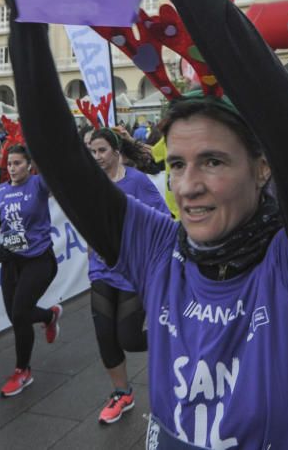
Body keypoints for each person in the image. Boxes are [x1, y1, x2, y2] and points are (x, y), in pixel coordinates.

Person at [4, 0, 288, 447]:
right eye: (179, 163)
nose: (188, 185)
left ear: (263, 168)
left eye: (214, 162)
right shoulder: (159, 250)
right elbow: (60, 156)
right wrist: (24, 15)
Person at [87, 128, 169, 424]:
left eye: (101, 151)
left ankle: (173, 335)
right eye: (92, 151)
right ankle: (121, 393)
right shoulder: (91, 184)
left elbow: (162, 222)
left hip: (135, 270)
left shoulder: (138, 182)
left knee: (130, 338)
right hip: (101, 269)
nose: (96, 157)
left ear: (115, 151)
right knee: (104, 335)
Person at [0, 145, 62, 397]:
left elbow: (56, 177)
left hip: (39, 260)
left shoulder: (38, 185)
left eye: (18, 163)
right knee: (15, 316)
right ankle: (48, 317)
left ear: (29, 165)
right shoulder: (1, 190)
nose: (12, 168)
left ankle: (22, 370)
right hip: (11, 260)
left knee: (21, 313)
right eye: (9, 164)